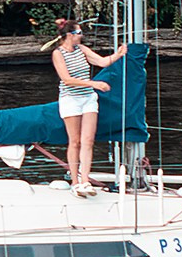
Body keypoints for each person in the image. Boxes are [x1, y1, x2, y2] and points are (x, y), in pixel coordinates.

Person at [50, 18, 129, 196]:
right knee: (75, 141)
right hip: (71, 99)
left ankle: (85, 180)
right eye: (78, 33)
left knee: (88, 141)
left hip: (88, 99)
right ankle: (75, 182)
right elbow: (67, 79)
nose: (81, 35)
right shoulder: (58, 53)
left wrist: (118, 54)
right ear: (69, 35)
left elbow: (102, 62)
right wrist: (94, 84)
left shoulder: (82, 49)